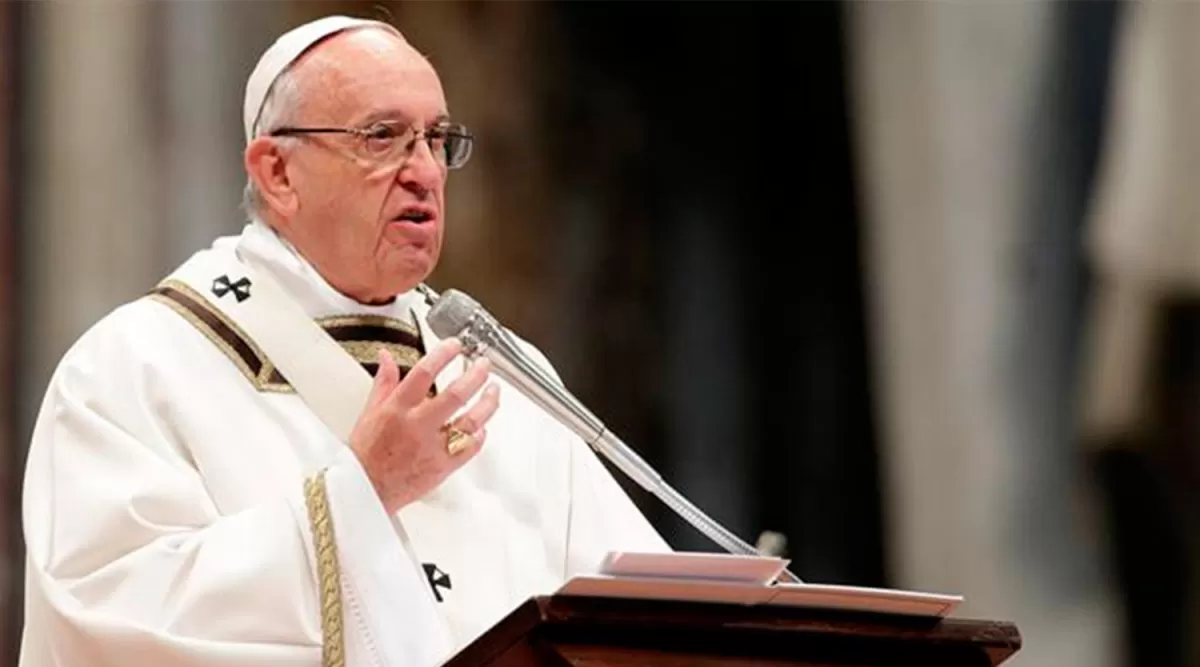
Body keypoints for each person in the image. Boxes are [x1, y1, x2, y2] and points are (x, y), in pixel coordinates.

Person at [19, 15, 670, 667]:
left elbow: (641, 620)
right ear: (277, 172)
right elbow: (105, 615)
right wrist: (359, 495)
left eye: (438, 140)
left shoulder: (506, 376)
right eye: (383, 137)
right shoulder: (136, 366)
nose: (424, 172)